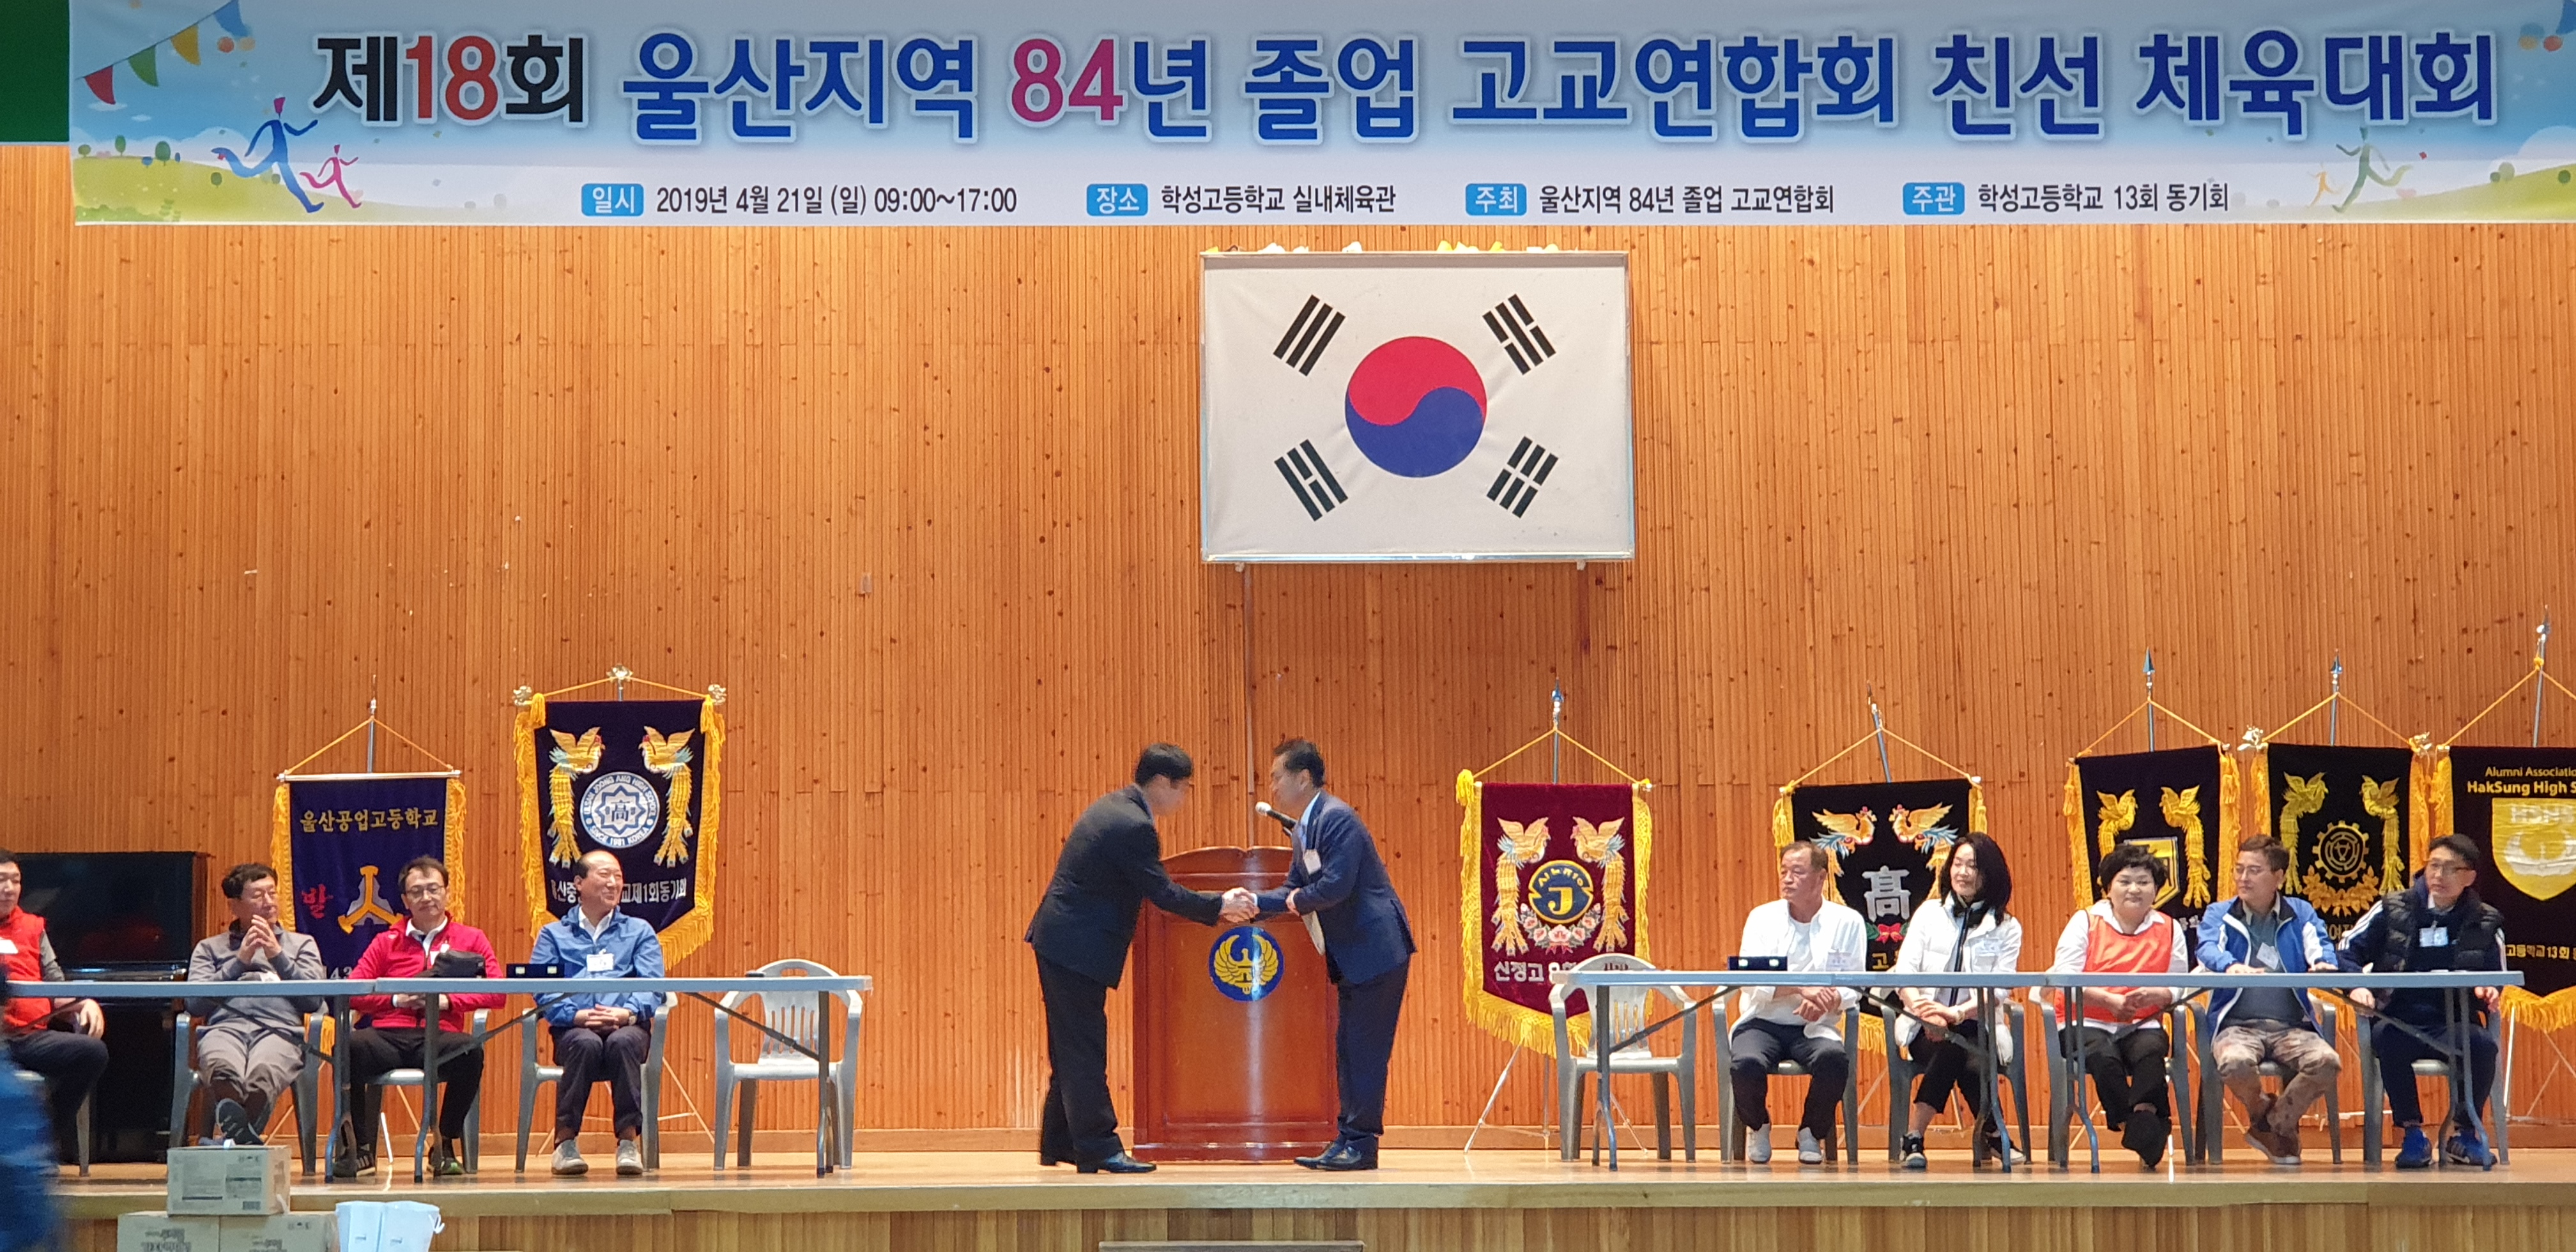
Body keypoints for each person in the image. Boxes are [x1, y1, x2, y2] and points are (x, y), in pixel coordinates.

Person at [1025, 744, 1255, 1174]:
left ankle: (1061, 1141)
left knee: (1072, 1046)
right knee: (1084, 1049)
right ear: (1164, 783)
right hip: (1075, 946)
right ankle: (1098, 1148)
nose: (1185, 798)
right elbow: (1162, 893)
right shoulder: (1134, 825)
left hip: (1064, 943)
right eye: (1185, 788)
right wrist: (1220, 905)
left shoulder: (1118, 807)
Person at [1254, 738, 1414, 1172]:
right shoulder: (1305, 828)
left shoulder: (1337, 818)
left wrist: (1293, 902)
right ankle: (1347, 1138)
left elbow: (1336, 886)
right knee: (1348, 1049)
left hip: (1377, 951)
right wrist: (1252, 903)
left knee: (1365, 1050)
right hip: (1353, 956)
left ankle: (1362, 1145)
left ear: (1304, 778)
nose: (1272, 787)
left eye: (1277, 777)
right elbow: (1294, 889)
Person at [2340, 834, 2506, 1170]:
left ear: (2469, 877)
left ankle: (2465, 1134)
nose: (2439, 876)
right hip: (2400, 1018)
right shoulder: (2392, 908)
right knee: (2388, 1041)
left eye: (2450, 869)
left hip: (2455, 1021)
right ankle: (2412, 1134)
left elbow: (2496, 974)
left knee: (2482, 1046)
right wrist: (2356, 986)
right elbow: (2345, 951)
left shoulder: (2486, 920)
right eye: (2434, 866)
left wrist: (2489, 989)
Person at [337, 856, 501, 1177]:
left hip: (441, 1035)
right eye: (417, 892)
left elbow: (496, 993)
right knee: (350, 1048)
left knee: (470, 1052)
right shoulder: (386, 941)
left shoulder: (472, 939)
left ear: (447, 893)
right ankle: (360, 1148)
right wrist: (396, 999)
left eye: (434, 889)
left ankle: (445, 1143)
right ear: (405, 900)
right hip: (389, 1035)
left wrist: (447, 1002)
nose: (427, 897)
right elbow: (353, 992)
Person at [2195, 836, 2340, 1166]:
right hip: (2236, 1026)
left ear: (2279, 877)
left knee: (2328, 1062)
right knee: (2234, 1063)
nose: (2243, 878)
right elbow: (2207, 948)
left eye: (2254, 871)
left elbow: (2319, 945)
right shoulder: (2220, 913)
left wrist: (2323, 963)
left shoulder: (2300, 912)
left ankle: (2274, 1124)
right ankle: (2265, 1114)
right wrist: (2230, 966)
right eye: (2239, 870)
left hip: (2292, 1026)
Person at [2050, 841, 2189, 1168]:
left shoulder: (2170, 928)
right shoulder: (2085, 921)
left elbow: (2180, 983)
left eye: (2143, 882)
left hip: (2142, 1022)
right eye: (2125, 881)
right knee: (2104, 1058)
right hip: (2084, 1020)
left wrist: (2159, 996)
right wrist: (2107, 1000)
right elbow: (2062, 976)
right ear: (2108, 887)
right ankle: (2137, 1126)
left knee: (2151, 1054)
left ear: (2157, 889)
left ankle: (2143, 1115)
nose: (2134, 889)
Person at [1890, 833, 2024, 1169]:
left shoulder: (2007, 927)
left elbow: (1999, 989)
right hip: (1924, 1023)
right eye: (1958, 864)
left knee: (1963, 1050)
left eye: (1973, 866)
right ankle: (1994, 1133)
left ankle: (1914, 1137)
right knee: (1958, 1052)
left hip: (1977, 1022)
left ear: (1990, 874)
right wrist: (1925, 1013)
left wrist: (1954, 1014)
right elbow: (1904, 971)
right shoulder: (1928, 913)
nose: (1962, 873)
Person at [529, 851, 666, 1178]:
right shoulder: (553, 935)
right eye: (604, 875)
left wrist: (627, 1012)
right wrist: (574, 1016)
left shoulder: (639, 931)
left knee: (622, 1043)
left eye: (618, 876)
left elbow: (653, 985)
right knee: (585, 1044)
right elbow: (541, 989)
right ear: (579, 883)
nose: (613, 883)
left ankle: (628, 1143)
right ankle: (565, 1144)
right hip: (574, 1027)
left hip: (627, 1025)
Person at [1731, 841, 1867, 1164]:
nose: (1787, 879)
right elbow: (1750, 980)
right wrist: (1803, 990)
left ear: (1821, 878)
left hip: (1816, 1024)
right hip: (1763, 1021)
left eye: (1797, 872)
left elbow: (1856, 984)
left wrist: (1829, 999)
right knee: (1745, 1064)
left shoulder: (1848, 922)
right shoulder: (1762, 918)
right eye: (1783, 872)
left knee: (1834, 1060)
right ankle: (1758, 1125)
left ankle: (1810, 1132)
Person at [185, 862, 325, 1145]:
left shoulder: (302, 944)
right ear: (235, 906)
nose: (269, 902)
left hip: (280, 1031)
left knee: (263, 1074)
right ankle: (239, 1144)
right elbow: (195, 1004)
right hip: (225, 1029)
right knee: (223, 1069)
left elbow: (313, 1000)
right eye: (258, 896)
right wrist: (239, 963)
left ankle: (227, 1144)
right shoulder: (210, 949)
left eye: (273, 893)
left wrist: (278, 956)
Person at [0, 850, 107, 1150]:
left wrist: (82, 1003)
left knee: (92, 1052)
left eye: (15, 881)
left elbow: (55, 985)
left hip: (30, 1037)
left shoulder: (33, 927)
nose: (9, 888)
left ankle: (45, 1138)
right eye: (2, 880)